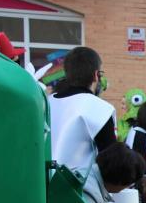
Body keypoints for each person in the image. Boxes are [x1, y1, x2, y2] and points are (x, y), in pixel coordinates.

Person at [49, 47, 116, 177]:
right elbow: (111, 163)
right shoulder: (99, 108)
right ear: (96, 75)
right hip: (76, 191)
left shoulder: (46, 102)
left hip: (40, 187)